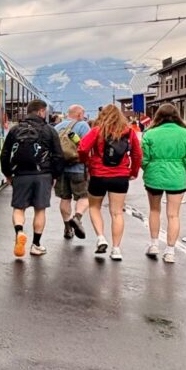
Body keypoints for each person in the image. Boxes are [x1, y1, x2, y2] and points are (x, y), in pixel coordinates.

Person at [0, 99, 64, 257]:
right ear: (41, 111)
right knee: (40, 209)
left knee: (18, 208)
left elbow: (4, 155)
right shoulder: (49, 130)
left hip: (21, 175)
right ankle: (36, 245)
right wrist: (54, 175)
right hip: (43, 175)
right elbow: (58, 156)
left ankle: (19, 232)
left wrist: (8, 174)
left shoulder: (15, 130)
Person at [77, 104, 142, 260]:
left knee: (94, 207)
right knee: (117, 213)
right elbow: (137, 154)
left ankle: (100, 237)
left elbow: (82, 148)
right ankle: (116, 249)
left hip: (98, 175)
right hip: (120, 177)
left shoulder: (97, 130)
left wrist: (87, 162)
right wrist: (133, 172)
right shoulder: (129, 132)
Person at [141, 103, 186, 263]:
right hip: (176, 176)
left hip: (154, 175)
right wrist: (182, 167)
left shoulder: (150, 134)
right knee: (173, 215)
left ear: (158, 116)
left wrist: (148, 167)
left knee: (154, 210)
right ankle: (170, 251)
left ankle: (153, 245)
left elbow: (144, 157)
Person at [54, 104, 90, 241]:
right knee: (84, 197)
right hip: (78, 168)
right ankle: (77, 218)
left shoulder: (57, 127)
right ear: (80, 114)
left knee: (65, 198)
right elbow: (86, 148)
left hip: (62, 169)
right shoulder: (83, 126)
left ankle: (67, 228)